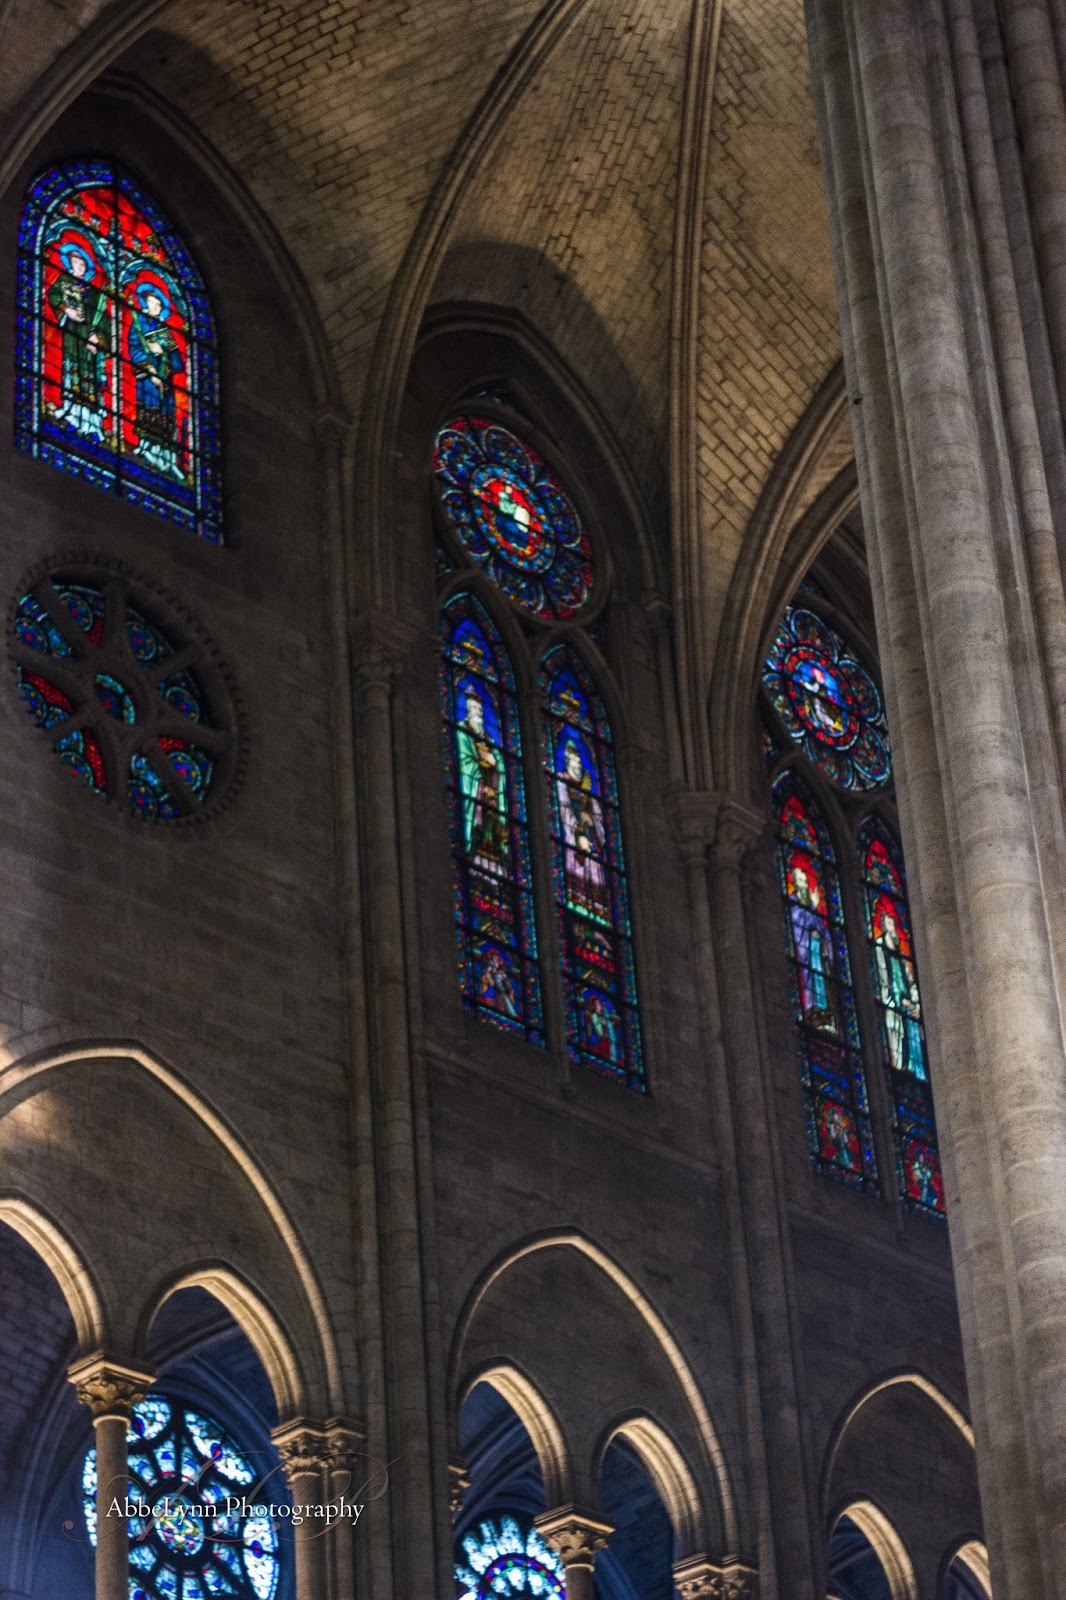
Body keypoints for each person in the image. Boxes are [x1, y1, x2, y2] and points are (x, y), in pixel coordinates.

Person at [47, 241, 108, 441]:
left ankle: (91, 423)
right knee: (72, 372)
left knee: (90, 380)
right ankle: (72, 414)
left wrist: (97, 338)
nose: (79, 266)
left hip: (89, 341)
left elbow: (102, 317)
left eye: (82, 264)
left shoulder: (94, 292)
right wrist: (67, 310)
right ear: (70, 263)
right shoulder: (64, 280)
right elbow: (53, 294)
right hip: (73, 335)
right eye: (75, 262)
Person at [128, 283, 186, 481]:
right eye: (151, 302)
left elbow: (178, 364)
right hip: (147, 380)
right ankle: (146, 448)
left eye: (157, 304)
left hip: (165, 383)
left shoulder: (165, 331)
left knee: (165, 415)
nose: (154, 306)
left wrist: (164, 352)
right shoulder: (139, 324)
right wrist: (150, 369)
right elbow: (133, 347)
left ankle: (167, 458)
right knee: (149, 410)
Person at [456, 686, 509, 876]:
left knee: (492, 830)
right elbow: (465, 761)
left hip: (492, 793)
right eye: (473, 708)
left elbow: (498, 762)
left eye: (479, 709)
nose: (478, 712)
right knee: (478, 831)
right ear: (468, 710)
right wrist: (481, 785)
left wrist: (494, 762)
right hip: (477, 790)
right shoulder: (462, 730)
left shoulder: (487, 738)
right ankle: (473, 863)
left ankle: (496, 871)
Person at [557, 738, 610, 922]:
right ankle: (577, 920)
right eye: (574, 762)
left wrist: (592, 822)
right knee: (576, 881)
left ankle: (597, 919)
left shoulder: (586, 788)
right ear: (567, 763)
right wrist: (577, 834)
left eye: (579, 762)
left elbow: (598, 816)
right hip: (575, 843)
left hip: (591, 845)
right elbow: (564, 808)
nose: (578, 765)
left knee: (595, 883)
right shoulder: (562, 781)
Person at [875, 906, 926, 1078]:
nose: (893, 928)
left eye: (894, 924)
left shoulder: (900, 955)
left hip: (908, 1006)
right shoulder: (880, 949)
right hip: (894, 1005)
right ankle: (900, 1069)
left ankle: (912, 1069)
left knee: (913, 1043)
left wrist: (915, 1004)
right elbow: (883, 978)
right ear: (884, 926)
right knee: (898, 1041)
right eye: (890, 924)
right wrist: (899, 1000)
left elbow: (910, 981)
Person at [788, 858, 836, 1033]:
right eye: (800, 881)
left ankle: (825, 1016)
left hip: (817, 952)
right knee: (810, 983)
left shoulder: (809, 904)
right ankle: (812, 1013)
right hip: (805, 953)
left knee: (821, 982)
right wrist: (814, 909)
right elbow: (798, 924)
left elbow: (821, 928)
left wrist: (822, 937)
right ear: (795, 883)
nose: (804, 884)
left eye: (805, 881)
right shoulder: (793, 902)